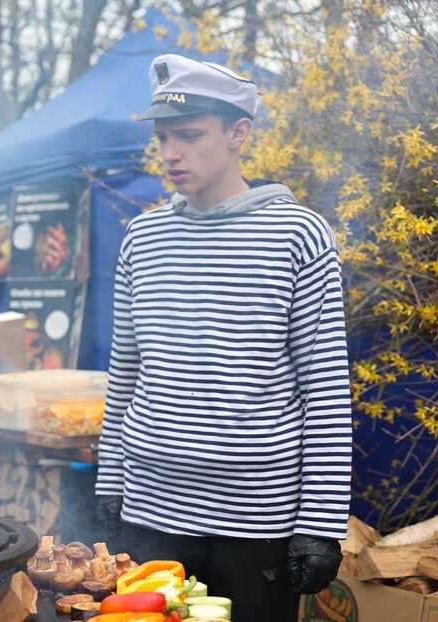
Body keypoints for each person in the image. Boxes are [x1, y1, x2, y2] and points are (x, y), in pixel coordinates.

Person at [93, 54, 352, 622]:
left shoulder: (298, 235)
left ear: (239, 134)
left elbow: (326, 391)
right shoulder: (143, 237)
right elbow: (126, 374)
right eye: (163, 137)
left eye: (188, 135)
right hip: (150, 509)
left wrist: (321, 526)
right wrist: (110, 483)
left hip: (255, 522)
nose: (170, 154)